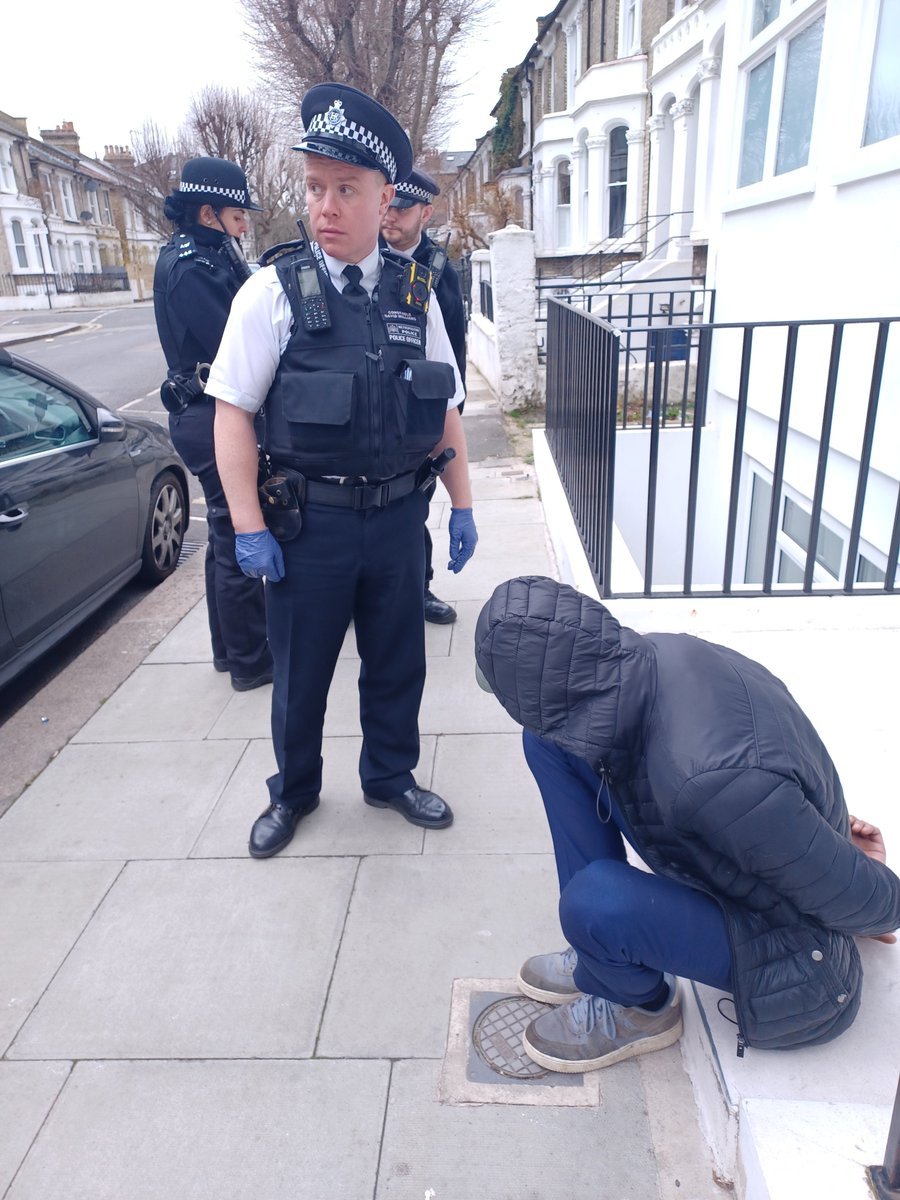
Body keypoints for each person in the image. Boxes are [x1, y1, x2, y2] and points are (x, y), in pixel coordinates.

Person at [474, 575, 900, 1072]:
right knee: (548, 741)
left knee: (593, 902)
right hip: (739, 855)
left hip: (802, 967)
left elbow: (868, 900)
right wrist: (813, 826)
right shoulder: (656, 656)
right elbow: (771, 763)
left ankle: (639, 1007)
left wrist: (863, 883)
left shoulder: (713, 782)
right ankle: (603, 954)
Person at [207, 84, 478, 860]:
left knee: (398, 664)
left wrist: (459, 504)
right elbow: (232, 412)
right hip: (310, 527)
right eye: (315, 186)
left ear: (385, 197)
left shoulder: (415, 293)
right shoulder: (272, 292)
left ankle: (391, 776)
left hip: (397, 523)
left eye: (346, 189)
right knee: (301, 675)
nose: (325, 205)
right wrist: (249, 529)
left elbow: (445, 404)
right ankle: (293, 791)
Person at [153, 157, 273, 692]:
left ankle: (231, 651)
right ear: (208, 212)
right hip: (207, 414)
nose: (244, 223)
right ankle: (250, 660)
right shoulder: (190, 267)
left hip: (211, 411)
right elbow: (235, 343)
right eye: (237, 214)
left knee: (224, 537)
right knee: (234, 530)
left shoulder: (212, 252)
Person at [381, 168, 467, 626]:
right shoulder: (364, 256)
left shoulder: (438, 272)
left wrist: (451, 411)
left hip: (418, 413)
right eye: (388, 205)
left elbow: (453, 348)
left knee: (413, 504)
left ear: (425, 214)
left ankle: (419, 588)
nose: (390, 216)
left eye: (402, 208)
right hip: (374, 409)